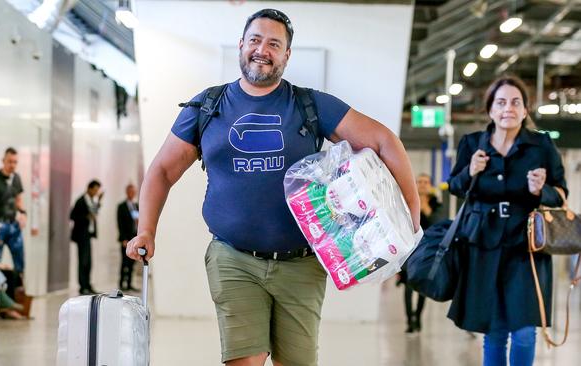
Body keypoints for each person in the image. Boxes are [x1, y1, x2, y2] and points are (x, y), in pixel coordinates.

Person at [126, 9, 420, 366]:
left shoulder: (310, 105)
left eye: (274, 43)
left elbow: (384, 141)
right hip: (233, 259)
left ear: (287, 55)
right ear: (241, 45)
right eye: (255, 40)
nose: (262, 49)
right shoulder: (208, 106)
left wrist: (411, 213)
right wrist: (146, 231)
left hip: (302, 264)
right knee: (245, 360)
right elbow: (162, 170)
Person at [447, 76, 566, 366]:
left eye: (515, 102)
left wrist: (543, 190)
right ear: (490, 109)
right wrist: (471, 171)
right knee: (495, 332)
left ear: (525, 111)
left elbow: (561, 196)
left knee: (525, 332)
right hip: (483, 246)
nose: (508, 109)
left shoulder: (541, 145)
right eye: (500, 102)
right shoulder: (472, 143)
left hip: (526, 249)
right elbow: (454, 186)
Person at [398, 173, 440, 333]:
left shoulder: (435, 204)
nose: (422, 185)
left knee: (422, 289)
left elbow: (437, 224)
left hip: (427, 252)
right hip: (410, 252)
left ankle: (418, 317)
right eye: (419, 182)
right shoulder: (407, 201)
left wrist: (426, 209)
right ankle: (409, 320)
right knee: (408, 288)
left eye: (425, 182)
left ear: (430, 185)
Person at [0, 147, 27, 274]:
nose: (12, 165)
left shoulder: (16, 178)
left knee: (20, 260)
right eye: (10, 161)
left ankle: (19, 290)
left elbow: (19, 201)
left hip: (13, 224)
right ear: (3, 160)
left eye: (15, 162)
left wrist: (23, 214)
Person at [70, 180, 102, 295]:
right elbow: (73, 215)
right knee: (83, 261)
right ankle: (82, 286)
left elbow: (94, 212)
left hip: (88, 235)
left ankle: (87, 284)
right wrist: (87, 216)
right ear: (89, 188)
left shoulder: (92, 201)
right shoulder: (81, 200)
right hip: (81, 235)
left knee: (88, 261)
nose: (96, 192)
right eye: (95, 189)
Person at [117, 184, 139, 291]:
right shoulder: (121, 207)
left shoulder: (136, 206)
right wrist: (123, 239)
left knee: (132, 262)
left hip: (134, 237)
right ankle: (122, 284)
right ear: (127, 192)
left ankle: (129, 283)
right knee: (124, 262)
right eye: (130, 191)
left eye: (133, 191)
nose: (132, 193)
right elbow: (120, 224)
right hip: (126, 239)